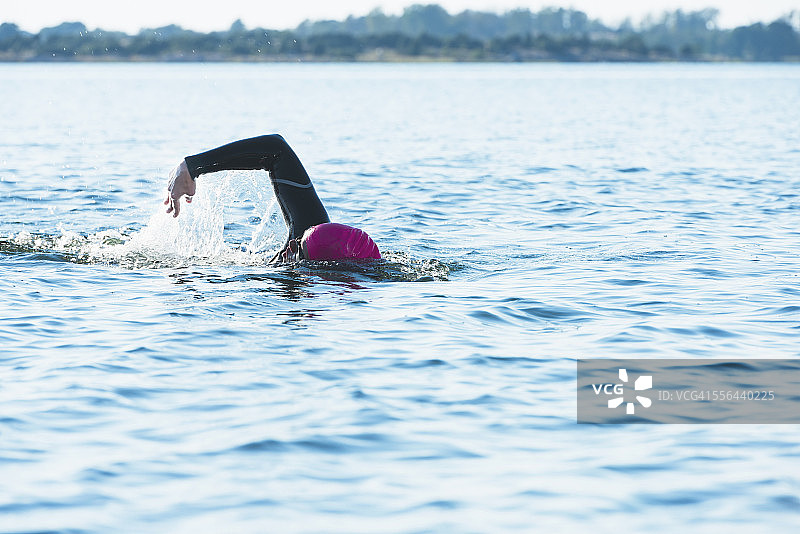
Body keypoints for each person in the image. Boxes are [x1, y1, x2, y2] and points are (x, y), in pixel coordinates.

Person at [165, 134, 381, 264]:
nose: (290, 247)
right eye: (298, 242)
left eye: (299, 251)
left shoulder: (296, 294)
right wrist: (192, 167)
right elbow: (277, 149)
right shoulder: (313, 241)